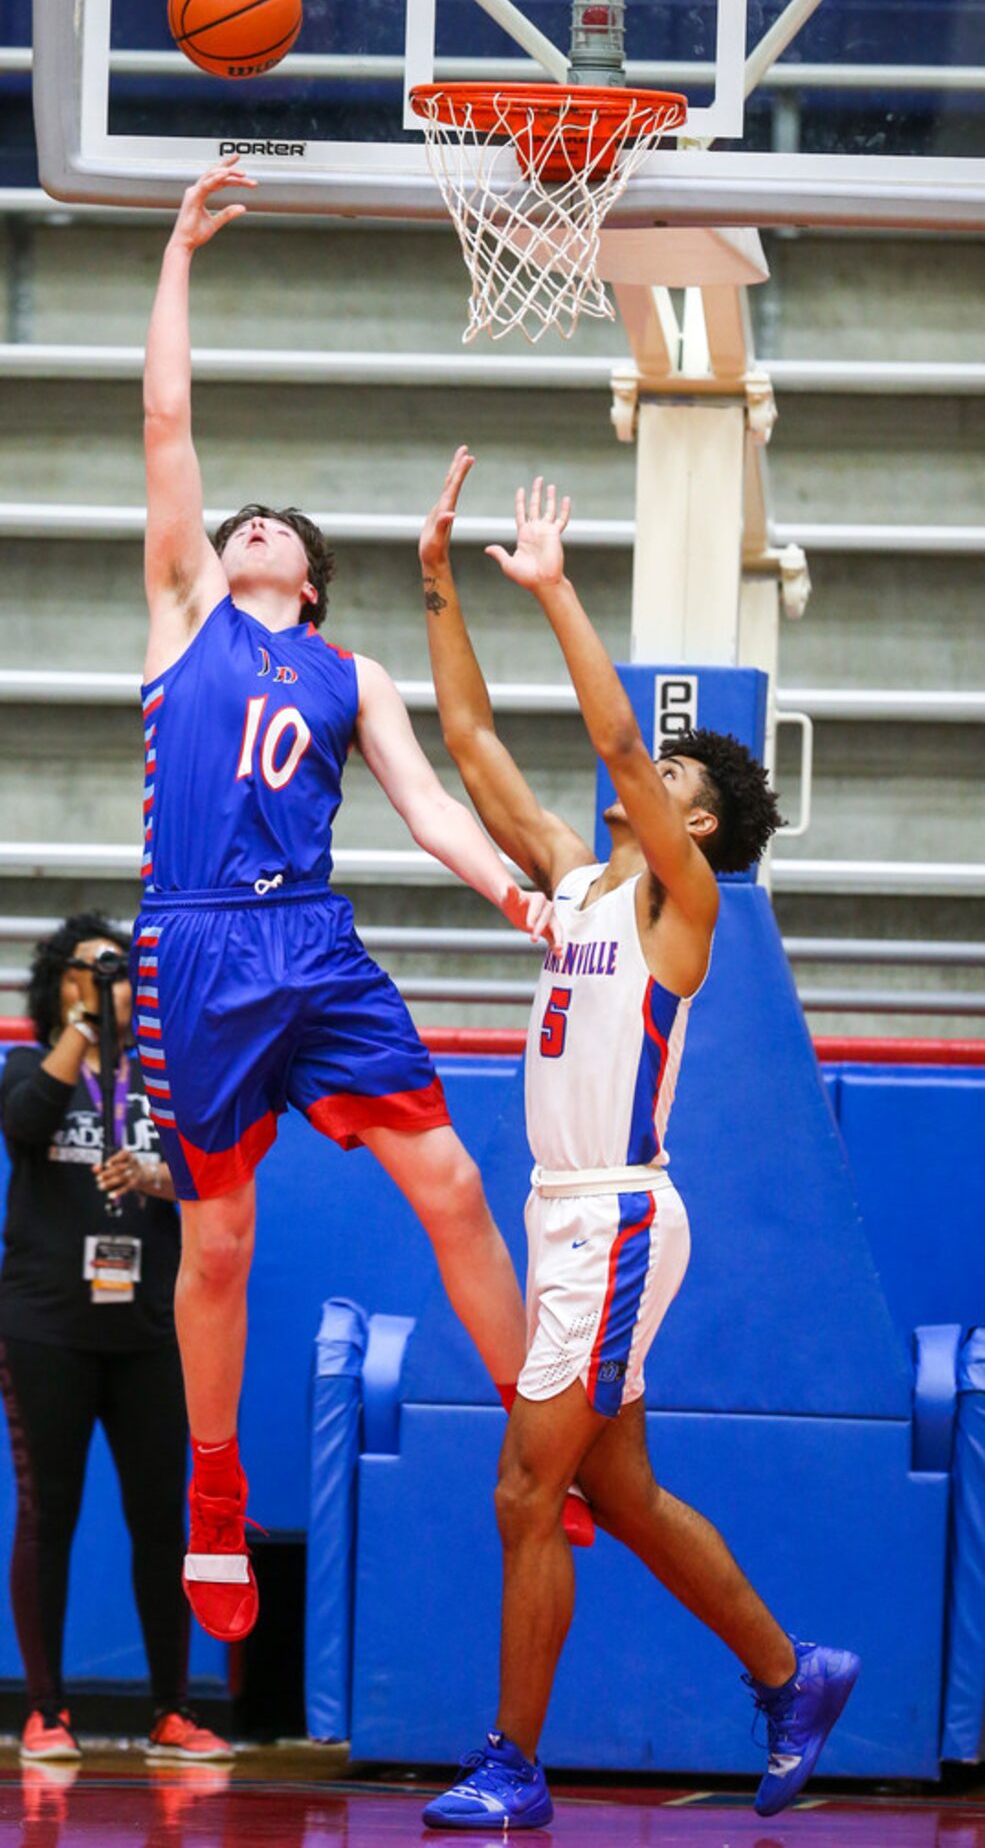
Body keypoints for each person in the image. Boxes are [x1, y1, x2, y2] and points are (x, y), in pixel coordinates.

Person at [139, 159, 564, 1647]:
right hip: (194, 941)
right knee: (222, 1244)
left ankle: (540, 1423)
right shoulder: (183, 611)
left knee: (453, 1184)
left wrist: (509, 886)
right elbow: (169, 425)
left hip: (312, 942)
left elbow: (433, 802)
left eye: (274, 528)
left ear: (310, 583)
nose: (245, 523)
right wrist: (179, 251)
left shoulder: (350, 674)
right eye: (236, 520)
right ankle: (212, 1486)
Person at [417, 451, 860, 1828]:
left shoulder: (683, 908)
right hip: (564, 1213)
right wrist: (438, 587)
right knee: (628, 1493)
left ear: (700, 821)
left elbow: (614, 742)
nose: (639, 775)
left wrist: (557, 592)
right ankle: (796, 1673)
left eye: (673, 777)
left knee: (521, 1488)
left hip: (612, 1216)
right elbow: (477, 747)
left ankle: (514, 1762)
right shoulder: (572, 881)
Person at [0, 915, 230, 1765]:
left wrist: (155, 1174)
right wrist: (83, 1032)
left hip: (150, 1332)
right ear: (56, 983)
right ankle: (46, 1713)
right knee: (47, 1514)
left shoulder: (163, 1083)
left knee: (157, 1522)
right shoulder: (30, 1065)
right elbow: (26, 1125)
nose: (106, 984)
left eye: (118, 972)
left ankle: (171, 1713)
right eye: (88, 972)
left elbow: (209, 1172)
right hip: (47, 1328)